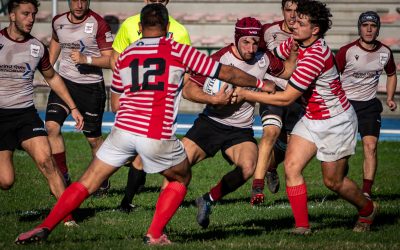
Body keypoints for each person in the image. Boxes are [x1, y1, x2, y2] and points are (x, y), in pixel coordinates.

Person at [15, 4, 274, 245]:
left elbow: (116, 103)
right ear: (166, 26)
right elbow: (225, 72)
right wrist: (260, 83)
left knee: (87, 182)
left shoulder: (126, 54)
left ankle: (46, 226)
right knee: (182, 176)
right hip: (155, 133)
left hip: (123, 130)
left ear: (140, 27)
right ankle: (155, 233)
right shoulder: (177, 50)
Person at [234, 0, 378, 234]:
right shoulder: (295, 41)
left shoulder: (315, 56)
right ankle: (302, 226)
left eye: (301, 22)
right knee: (291, 166)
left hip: (336, 122)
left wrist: (244, 92)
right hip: (312, 117)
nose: (293, 24)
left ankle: (367, 209)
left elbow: (286, 98)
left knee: (333, 182)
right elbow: (274, 54)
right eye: (294, 19)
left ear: (315, 30)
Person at [185, 17, 295, 229]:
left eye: (255, 42)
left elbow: (286, 72)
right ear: (236, 39)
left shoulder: (264, 57)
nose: (251, 48)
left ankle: (207, 200)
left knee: (248, 166)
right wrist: (213, 99)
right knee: (178, 165)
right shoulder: (220, 58)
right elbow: (189, 89)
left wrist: (294, 50)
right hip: (210, 123)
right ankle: (161, 214)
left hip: (240, 129)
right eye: (246, 42)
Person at [0, 0, 83, 223]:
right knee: (6, 181)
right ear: (12, 15)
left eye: (33, 14)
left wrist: (73, 107)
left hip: (26, 114)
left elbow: (52, 77)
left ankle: (68, 218)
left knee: (48, 162)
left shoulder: (36, 47)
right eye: (25, 14)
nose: (31, 19)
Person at [111, 0, 191, 212]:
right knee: (144, 154)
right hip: (134, 100)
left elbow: (187, 68)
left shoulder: (180, 31)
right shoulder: (129, 24)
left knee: (140, 154)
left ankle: (127, 201)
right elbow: (116, 57)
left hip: (160, 102)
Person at [45, 0, 113, 194]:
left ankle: (102, 179)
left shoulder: (99, 23)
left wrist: (87, 59)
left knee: (93, 140)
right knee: (51, 126)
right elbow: (56, 41)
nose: (79, 4)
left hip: (90, 87)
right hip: (64, 83)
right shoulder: (58, 21)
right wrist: (48, 69)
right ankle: (63, 176)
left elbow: (111, 60)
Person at [335, 11, 397, 199]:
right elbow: (332, 75)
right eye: (365, 25)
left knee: (371, 146)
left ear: (378, 29)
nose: (369, 29)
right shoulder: (347, 51)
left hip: (369, 106)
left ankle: (367, 192)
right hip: (346, 106)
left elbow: (392, 74)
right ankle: (340, 178)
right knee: (342, 151)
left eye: (373, 25)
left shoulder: (385, 52)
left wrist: (389, 97)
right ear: (359, 28)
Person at [251, 0, 304, 205]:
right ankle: (257, 186)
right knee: (270, 133)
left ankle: (272, 168)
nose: (292, 15)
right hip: (274, 91)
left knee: (289, 147)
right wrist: (261, 81)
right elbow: (254, 55)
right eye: (288, 10)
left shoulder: (307, 31)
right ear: (282, 10)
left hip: (297, 94)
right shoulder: (268, 31)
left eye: (296, 11)